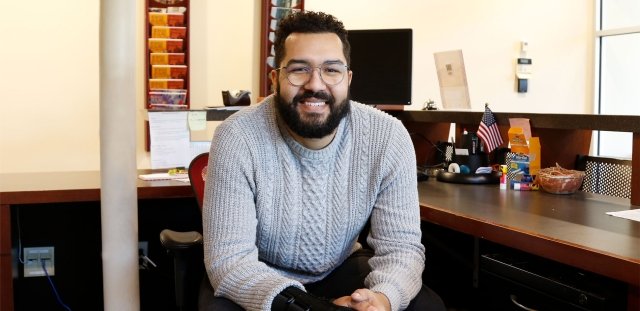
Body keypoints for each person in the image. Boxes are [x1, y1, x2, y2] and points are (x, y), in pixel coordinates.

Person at [201, 10, 446, 311]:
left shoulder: (388, 136)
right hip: (260, 274)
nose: (315, 85)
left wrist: (381, 300)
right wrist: (311, 307)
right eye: (299, 70)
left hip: (341, 268)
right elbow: (229, 260)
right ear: (276, 79)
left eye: (331, 70)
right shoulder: (237, 137)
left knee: (427, 306)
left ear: (348, 78)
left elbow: (401, 248)